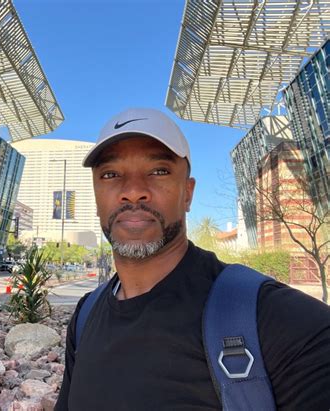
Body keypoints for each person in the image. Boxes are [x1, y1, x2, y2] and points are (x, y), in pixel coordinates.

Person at [54, 108, 330, 410]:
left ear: (187, 193)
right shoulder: (85, 317)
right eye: (110, 174)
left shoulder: (279, 321)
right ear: (96, 197)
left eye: (158, 171)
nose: (133, 191)